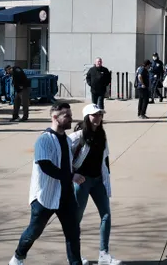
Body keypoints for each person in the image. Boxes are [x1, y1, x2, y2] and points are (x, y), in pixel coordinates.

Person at [9, 103, 84, 265]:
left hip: (66, 196)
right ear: (55, 118)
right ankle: (18, 257)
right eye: (67, 116)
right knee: (34, 232)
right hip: (45, 196)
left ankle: (75, 262)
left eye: (70, 115)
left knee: (73, 232)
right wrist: (71, 176)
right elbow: (46, 167)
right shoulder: (44, 140)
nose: (70, 118)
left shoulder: (66, 139)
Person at [69, 104, 122, 265]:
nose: (98, 118)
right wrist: (72, 175)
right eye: (95, 115)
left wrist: (107, 176)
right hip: (82, 182)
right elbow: (63, 158)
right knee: (76, 219)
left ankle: (104, 254)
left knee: (106, 215)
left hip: (99, 180)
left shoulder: (102, 135)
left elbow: (105, 157)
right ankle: (73, 255)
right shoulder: (76, 137)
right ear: (87, 117)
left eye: (100, 114)